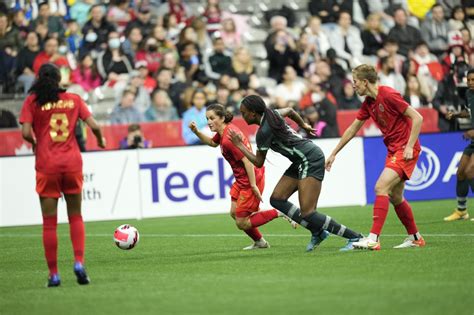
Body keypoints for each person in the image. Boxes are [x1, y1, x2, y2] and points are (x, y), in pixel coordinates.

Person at [229, 95, 363, 252]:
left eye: (243, 112)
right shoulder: (274, 113)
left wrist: (239, 145)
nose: (242, 115)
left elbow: (258, 162)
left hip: (309, 158)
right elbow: (291, 111)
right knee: (277, 199)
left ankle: (355, 237)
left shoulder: (264, 131)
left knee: (308, 212)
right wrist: (303, 125)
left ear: (252, 113)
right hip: (301, 159)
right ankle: (318, 232)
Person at [19, 63, 106, 287]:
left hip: (47, 164)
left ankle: (54, 274)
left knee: (49, 223)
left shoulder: (33, 101)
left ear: (39, 79)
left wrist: (35, 143)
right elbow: (94, 124)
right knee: (75, 216)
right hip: (72, 163)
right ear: (59, 79)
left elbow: (26, 132)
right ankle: (78, 263)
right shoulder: (74, 99)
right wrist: (100, 140)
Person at [325, 64, 425, 250]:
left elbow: (417, 117)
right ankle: (415, 237)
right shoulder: (369, 103)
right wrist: (334, 153)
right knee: (395, 196)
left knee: (380, 187)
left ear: (364, 82)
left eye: (355, 82)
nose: (353, 86)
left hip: (404, 149)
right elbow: (353, 128)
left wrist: (410, 146)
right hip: (393, 150)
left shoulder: (388, 94)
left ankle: (373, 239)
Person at [189, 103, 296, 250]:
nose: (208, 122)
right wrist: (196, 131)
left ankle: (280, 212)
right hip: (242, 180)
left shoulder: (228, 138)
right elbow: (212, 143)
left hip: (250, 179)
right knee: (234, 213)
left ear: (221, 118)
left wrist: (253, 186)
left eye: (212, 118)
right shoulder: (224, 131)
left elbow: (248, 162)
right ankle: (260, 242)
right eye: (207, 118)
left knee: (241, 222)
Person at [444, 68, 474, 221]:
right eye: (468, 80)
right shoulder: (469, 94)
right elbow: (469, 112)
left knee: (470, 172)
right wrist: (455, 114)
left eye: (473, 80)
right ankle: (461, 211)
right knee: (461, 172)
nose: (470, 83)